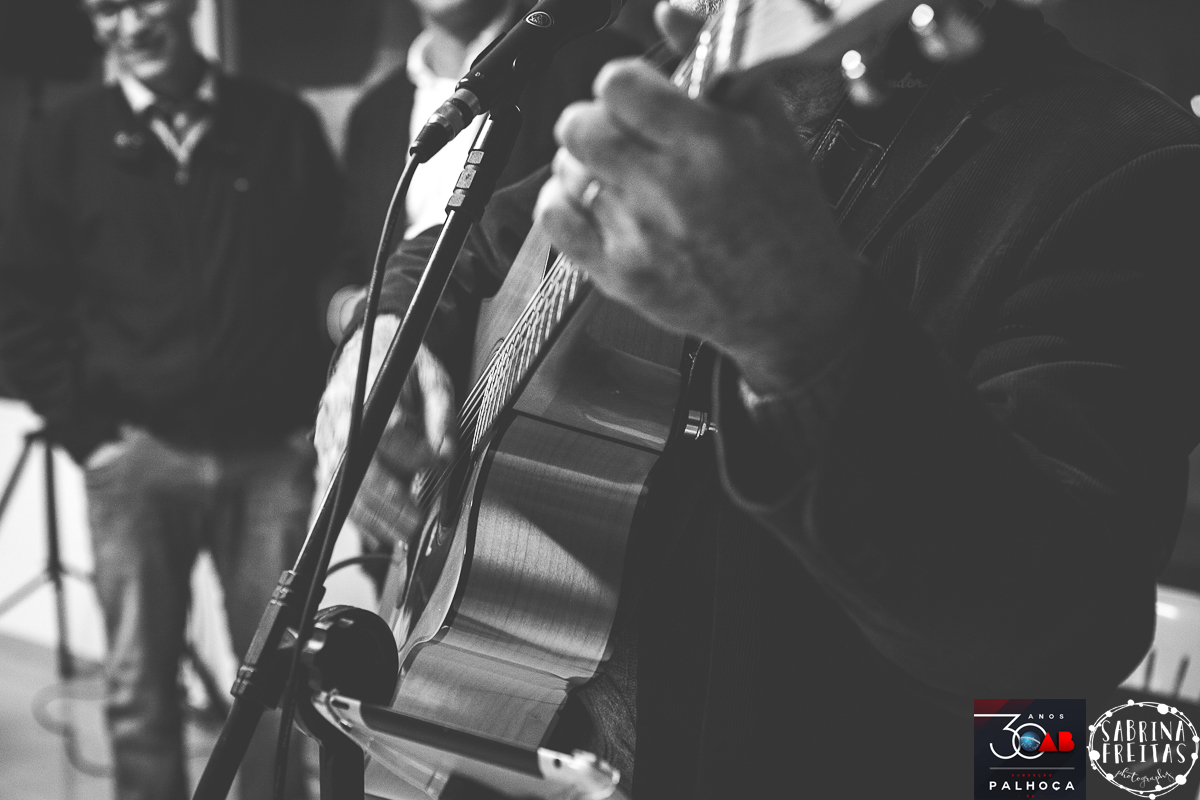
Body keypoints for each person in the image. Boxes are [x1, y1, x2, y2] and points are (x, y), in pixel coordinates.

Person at [316, 0, 1200, 796]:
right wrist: (383, 336)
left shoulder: (1129, 161)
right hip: (519, 731)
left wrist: (801, 327)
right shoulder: (684, 89)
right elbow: (478, 241)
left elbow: (1058, 629)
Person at [0, 0, 349, 798]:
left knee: (279, 692)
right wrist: (89, 435)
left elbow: (329, 266)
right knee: (138, 695)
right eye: (107, 8)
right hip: (135, 459)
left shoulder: (282, 123)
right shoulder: (61, 139)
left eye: (145, 0)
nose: (130, 24)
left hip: (270, 457)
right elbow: (20, 305)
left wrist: (309, 420)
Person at [328, 0, 642, 587]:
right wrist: (367, 325)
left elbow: (510, 229)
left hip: (549, 437)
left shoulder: (599, 61)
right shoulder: (376, 110)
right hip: (411, 434)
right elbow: (359, 253)